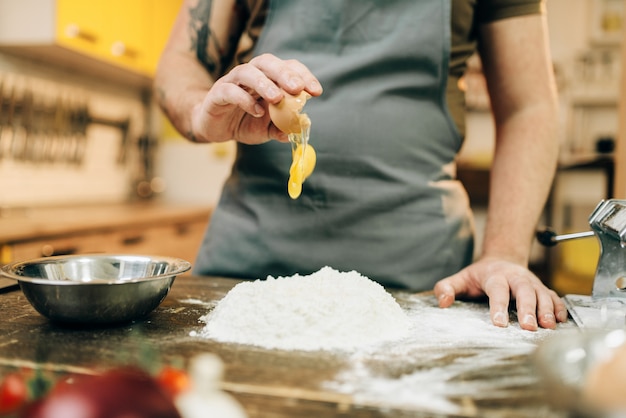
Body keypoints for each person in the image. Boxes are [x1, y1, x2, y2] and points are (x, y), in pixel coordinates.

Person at [155, 0, 568, 331]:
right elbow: (180, 60)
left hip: (420, 283)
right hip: (244, 273)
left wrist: (505, 252)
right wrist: (198, 111)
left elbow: (527, 106)